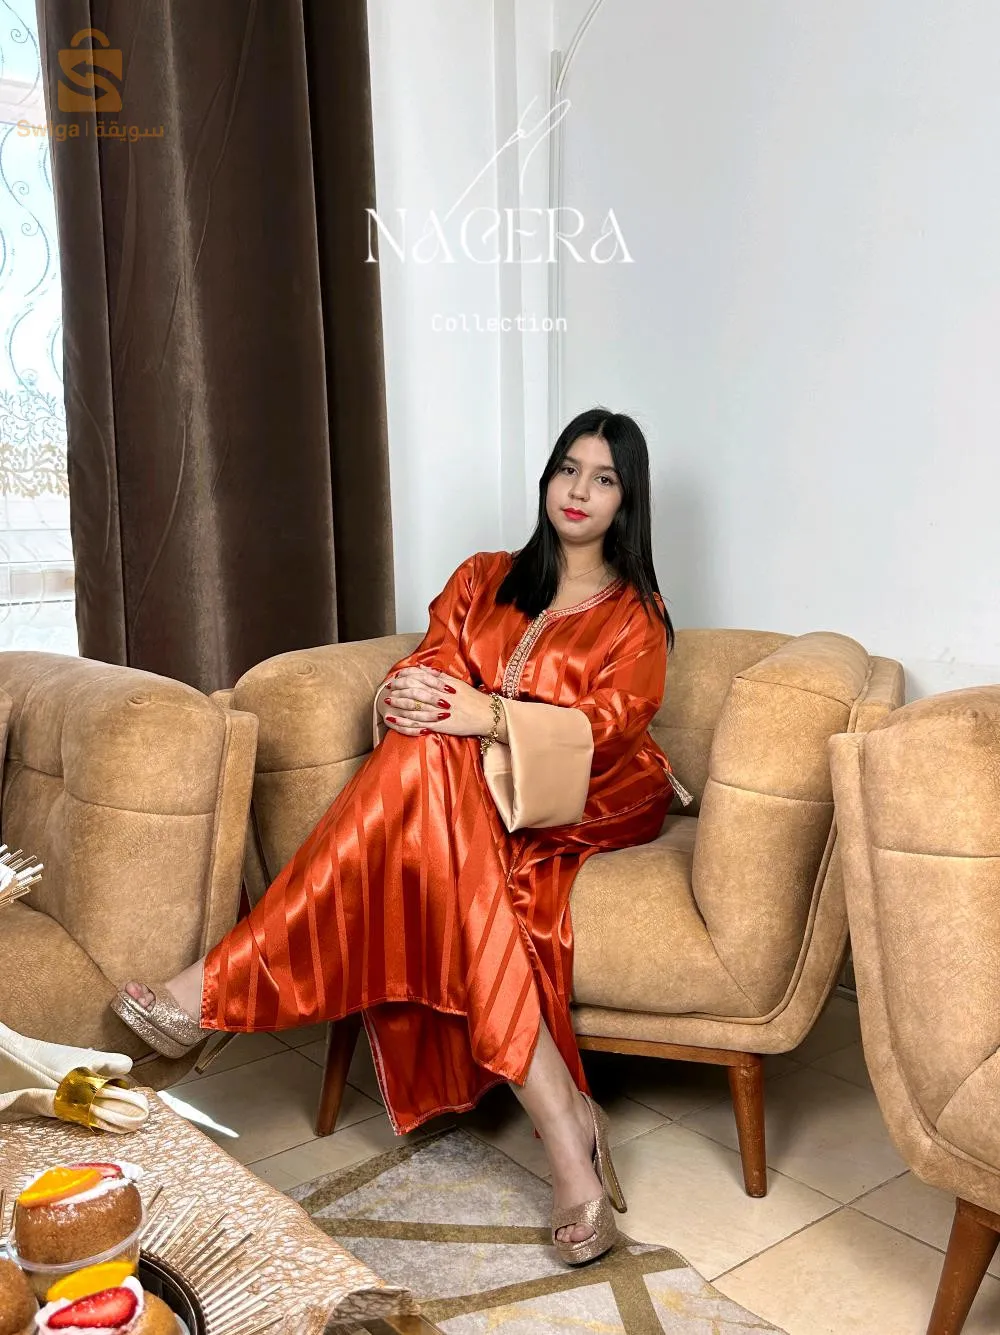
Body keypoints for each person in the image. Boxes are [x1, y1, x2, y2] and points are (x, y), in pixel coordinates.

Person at [111, 406, 682, 1266]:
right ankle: (566, 1123)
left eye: (604, 478)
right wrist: (408, 695)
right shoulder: (484, 575)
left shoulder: (636, 615)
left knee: (432, 757)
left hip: (592, 790)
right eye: (569, 468)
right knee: (424, 754)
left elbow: (610, 727)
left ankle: (213, 988)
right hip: (466, 783)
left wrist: (488, 715)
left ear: (626, 500)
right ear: (547, 477)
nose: (580, 490)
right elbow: (428, 662)